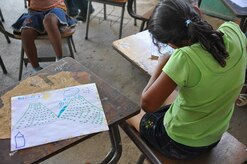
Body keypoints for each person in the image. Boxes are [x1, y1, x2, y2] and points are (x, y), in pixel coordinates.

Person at [127, 0, 247, 160]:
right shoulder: (233, 30)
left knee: (129, 114)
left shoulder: (184, 58)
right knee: (169, 103)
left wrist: (162, 64)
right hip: (214, 134)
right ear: (197, 10)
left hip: (180, 143)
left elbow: (147, 104)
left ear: (170, 43)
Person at [12, 0, 77, 71]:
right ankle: (36, 69)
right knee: (26, 33)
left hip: (55, 9)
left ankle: (60, 60)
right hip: (34, 12)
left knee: (49, 21)